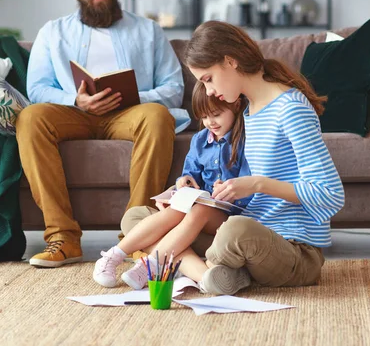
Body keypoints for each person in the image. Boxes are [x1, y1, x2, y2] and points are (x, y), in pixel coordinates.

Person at [120, 20, 345, 295]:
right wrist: (184, 197)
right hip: (247, 238)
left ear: (230, 62)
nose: (210, 91)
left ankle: (195, 267)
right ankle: (212, 276)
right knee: (138, 218)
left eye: (208, 79)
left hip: (293, 249)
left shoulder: (291, 110)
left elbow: (330, 195)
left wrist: (256, 184)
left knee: (235, 231)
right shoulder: (248, 112)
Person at [16, 0, 187, 268]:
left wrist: (132, 97)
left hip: (131, 115)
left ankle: (136, 236)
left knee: (157, 116)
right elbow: (36, 88)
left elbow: (174, 87)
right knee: (30, 118)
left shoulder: (148, 31)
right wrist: (74, 99)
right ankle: (63, 238)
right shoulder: (53, 33)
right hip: (75, 115)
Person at [92, 82, 252, 289]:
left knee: (198, 208)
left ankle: (154, 263)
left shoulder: (247, 139)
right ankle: (114, 257)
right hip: (192, 219)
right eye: (204, 117)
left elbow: (250, 190)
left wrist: (230, 190)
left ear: (236, 106)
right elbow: (189, 176)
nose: (210, 122)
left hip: (226, 220)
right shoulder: (200, 140)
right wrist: (181, 184)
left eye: (216, 114)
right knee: (135, 216)